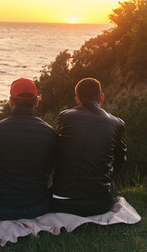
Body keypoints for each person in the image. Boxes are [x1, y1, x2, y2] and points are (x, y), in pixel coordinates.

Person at [50, 77, 126, 216]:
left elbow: (55, 151)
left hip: (60, 202)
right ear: (101, 97)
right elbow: (120, 160)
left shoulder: (65, 117)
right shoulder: (117, 123)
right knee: (111, 185)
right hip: (98, 205)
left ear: (77, 99)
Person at [0, 78, 56, 220]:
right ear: (36, 101)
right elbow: (50, 170)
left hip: (3, 209)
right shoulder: (48, 132)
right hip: (39, 208)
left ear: (11, 101)